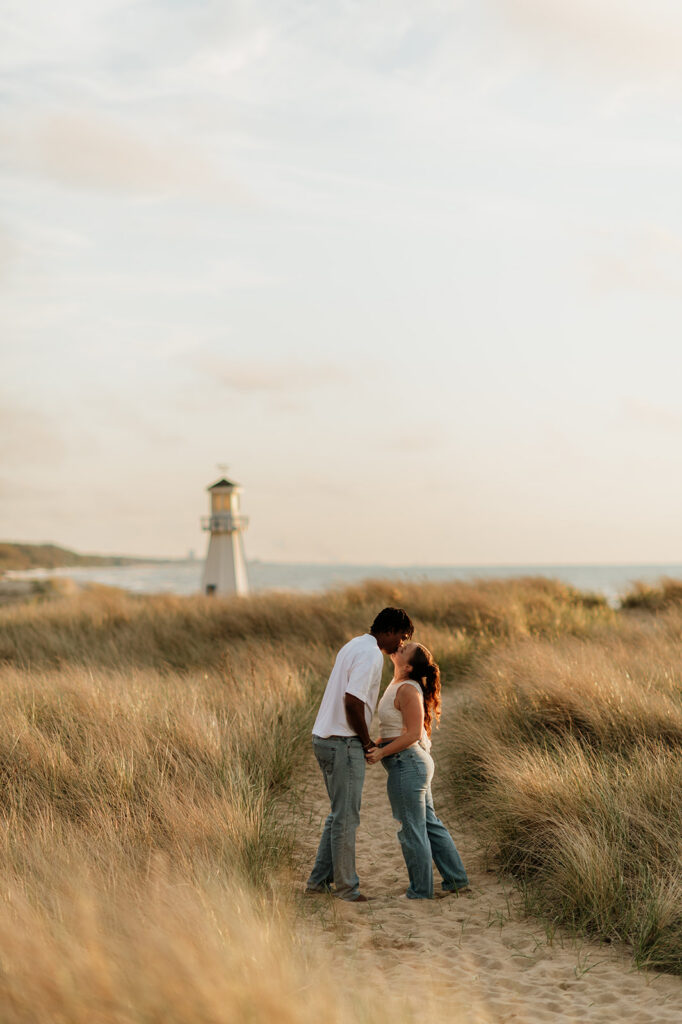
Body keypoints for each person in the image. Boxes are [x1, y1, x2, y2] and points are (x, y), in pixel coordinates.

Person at [306, 606, 414, 902]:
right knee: (346, 818)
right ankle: (347, 888)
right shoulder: (370, 654)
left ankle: (318, 882)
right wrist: (366, 742)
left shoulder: (354, 644)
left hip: (324, 738)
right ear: (389, 631)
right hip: (343, 742)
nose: (401, 645)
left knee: (338, 814)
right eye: (401, 637)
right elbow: (353, 701)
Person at [366, 642, 469, 900]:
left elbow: (411, 735)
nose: (398, 647)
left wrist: (381, 753)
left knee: (412, 829)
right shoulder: (398, 685)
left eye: (404, 649)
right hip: (411, 763)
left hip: (409, 764)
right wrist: (377, 743)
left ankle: (421, 891)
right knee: (429, 824)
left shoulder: (408, 690)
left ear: (408, 665)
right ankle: (456, 880)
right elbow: (395, 729)